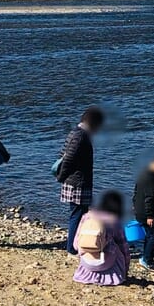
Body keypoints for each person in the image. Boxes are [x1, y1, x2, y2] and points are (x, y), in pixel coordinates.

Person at [55, 107, 104, 254]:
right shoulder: (81, 136)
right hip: (77, 182)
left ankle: (78, 244)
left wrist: (63, 176)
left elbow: (63, 154)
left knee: (80, 213)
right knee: (78, 215)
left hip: (74, 181)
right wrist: (61, 177)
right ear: (93, 124)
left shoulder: (75, 133)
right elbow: (68, 158)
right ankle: (72, 248)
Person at [73, 190, 131, 286]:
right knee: (117, 247)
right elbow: (124, 248)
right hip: (105, 262)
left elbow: (75, 244)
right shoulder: (114, 221)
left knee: (86, 244)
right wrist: (126, 268)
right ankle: (110, 276)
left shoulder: (87, 216)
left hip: (87, 262)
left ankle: (88, 274)